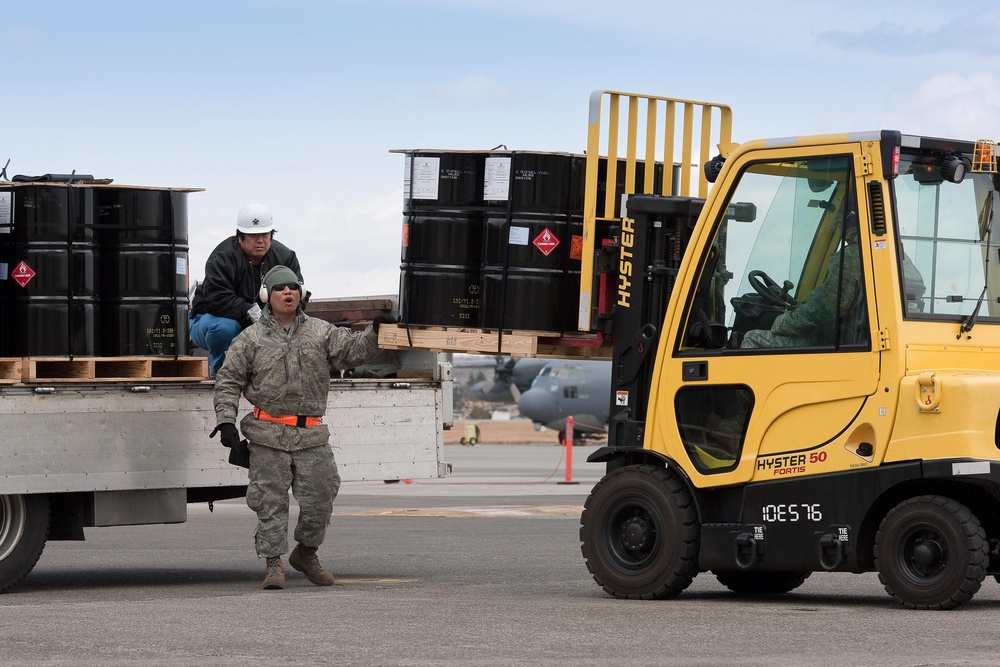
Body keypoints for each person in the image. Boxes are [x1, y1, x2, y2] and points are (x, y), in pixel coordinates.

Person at [211, 265, 393, 590]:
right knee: (270, 504)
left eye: (293, 287)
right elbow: (227, 381)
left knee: (321, 499)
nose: (288, 293)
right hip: (267, 436)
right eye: (280, 288)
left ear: (302, 293)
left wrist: (376, 332)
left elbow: (352, 351)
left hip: (311, 436)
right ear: (267, 296)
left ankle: (306, 554)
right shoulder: (250, 339)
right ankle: (273, 566)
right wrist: (226, 422)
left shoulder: (321, 332)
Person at [190, 203, 304, 377]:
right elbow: (214, 299)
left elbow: (299, 294)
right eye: (253, 235)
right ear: (239, 238)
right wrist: (248, 310)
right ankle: (223, 374)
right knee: (225, 328)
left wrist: (278, 318)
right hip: (210, 320)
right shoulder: (221, 258)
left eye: (265, 234)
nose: (260, 240)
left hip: (264, 322)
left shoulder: (286, 257)